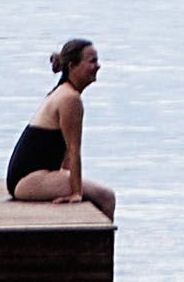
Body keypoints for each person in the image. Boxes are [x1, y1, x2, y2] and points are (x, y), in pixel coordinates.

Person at [8, 38, 116, 218]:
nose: (98, 66)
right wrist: (76, 193)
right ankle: (102, 245)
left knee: (92, 191)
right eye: (92, 61)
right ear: (72, 66)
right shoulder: (70, 99)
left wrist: (68, 180)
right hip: (29, 181)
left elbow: (64, 151)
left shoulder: (61, 92)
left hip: (25, 178)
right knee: (106, 197)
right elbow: (74, 150)